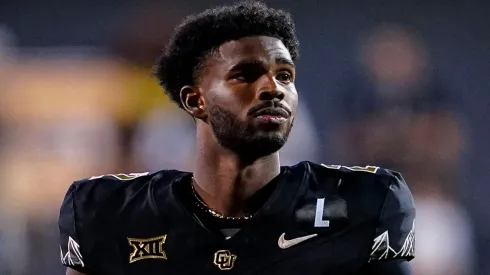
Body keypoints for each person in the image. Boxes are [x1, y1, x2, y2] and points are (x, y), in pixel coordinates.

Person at [58, 2, 415, 274]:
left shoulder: (365, 205)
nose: (272, 88)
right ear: (194, 100)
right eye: (243, 75)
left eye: (285, 75)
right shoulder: (105, 209)